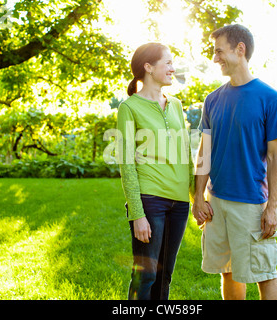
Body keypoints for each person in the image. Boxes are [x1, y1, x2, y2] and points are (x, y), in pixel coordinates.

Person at [192, 24, 277, 300]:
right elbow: (204, 152)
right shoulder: (212, 100)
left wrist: (272, 207)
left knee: (264, 273)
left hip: (251, 204)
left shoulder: (270, 98)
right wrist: (198, 196)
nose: (214, 58)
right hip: (217, 201)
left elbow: (275, 156)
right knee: (228, 270)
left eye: (219, 50)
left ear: (240, 49)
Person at [116, 43, 191, 300]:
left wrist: (196, 196)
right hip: (151, 201)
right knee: (145, 275)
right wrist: (137, 213)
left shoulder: (176, 105)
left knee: (165, 276)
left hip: (180, 203)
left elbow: (185, 153)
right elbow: (126, 164)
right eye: (167, 63)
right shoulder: (129, 108)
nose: (173, 68)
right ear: (148, 67)